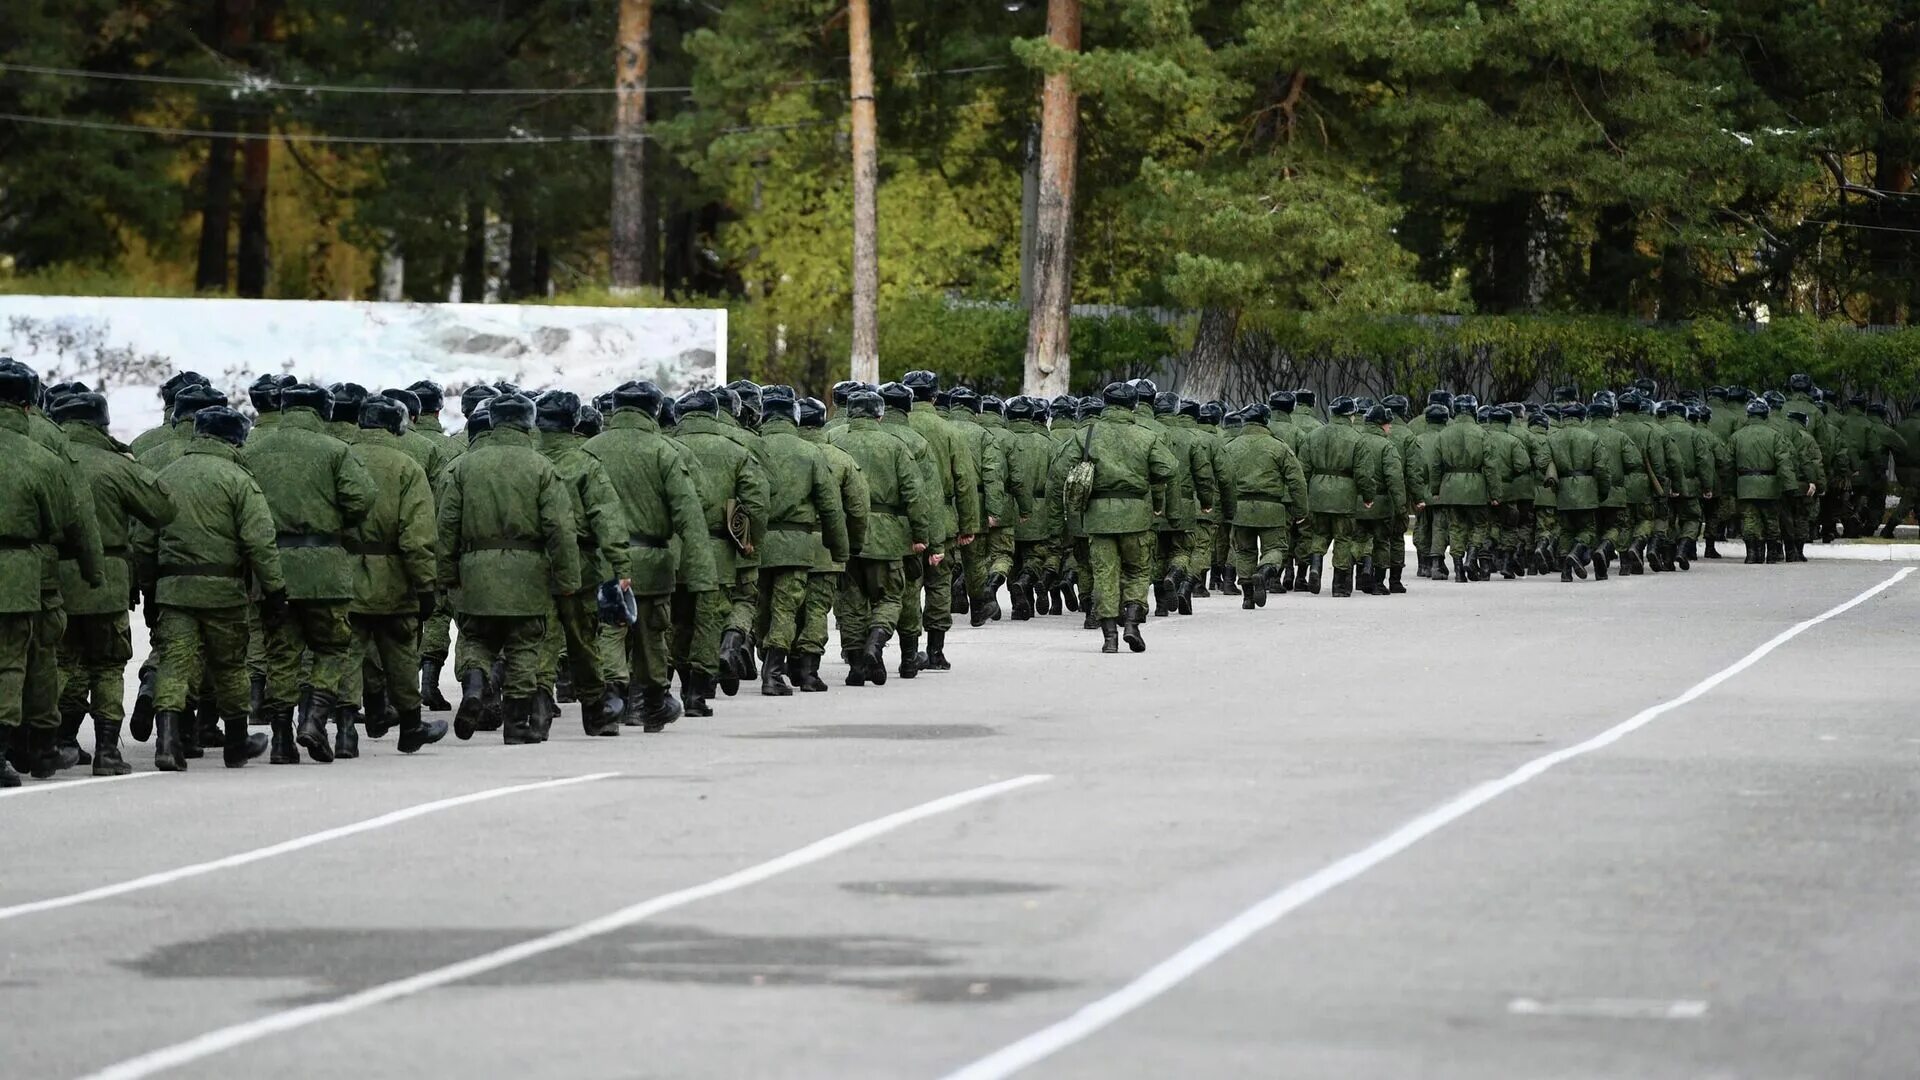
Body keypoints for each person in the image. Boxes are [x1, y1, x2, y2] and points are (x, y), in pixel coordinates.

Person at [242, 383, 376, 763]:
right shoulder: (335, 450)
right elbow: (362, 497)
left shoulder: (252, 451)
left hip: (272, 566)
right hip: (324, 568)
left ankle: (282, 740)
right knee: (332, 647)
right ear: (322, 412)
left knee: (281, 652)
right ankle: (314, 718)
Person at [437, 393, 581, 744]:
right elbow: (560, 529)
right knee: (524, 645)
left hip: (475, 570)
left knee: (476, 638)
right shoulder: (542, 467)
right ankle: (516, 726)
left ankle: (474, 686)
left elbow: (446, 528)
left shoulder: (462, 466)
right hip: (528, 572)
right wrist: (567, 579)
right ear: (528, 423)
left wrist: (446, 575)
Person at [145, 407, 282, 771]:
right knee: (229, 665)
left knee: (174, 663)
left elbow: (143, 538)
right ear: (235, 439)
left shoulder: (166, 476)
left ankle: (168, 741)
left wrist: (147, 587)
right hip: (224, 591)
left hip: (174, 589)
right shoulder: (238, 479)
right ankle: (236, 742)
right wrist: (275, 589)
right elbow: (259, 541)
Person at [51, 391, 175, 775]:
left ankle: (49, 739)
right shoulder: (114, 465)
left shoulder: (47, 458)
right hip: (107, 581)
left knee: (60, 661)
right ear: (101, 424)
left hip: (53, 579)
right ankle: (107, 750)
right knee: (107, 665)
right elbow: (162, 509)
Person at [584, 382, 714, 725]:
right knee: (651, 634)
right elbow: (690, 513)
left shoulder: (590, 449)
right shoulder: (664, 451)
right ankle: (652, 701)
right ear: (654, 410)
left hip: (602, 560)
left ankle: (611, 698)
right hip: (653, 561)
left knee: (610, 630)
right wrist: (701, 574)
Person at [828, 389, 934, 683]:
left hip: (847, 535)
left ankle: (856, 666)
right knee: (889, 597)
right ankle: (876, 640)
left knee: (851, 602)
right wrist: (921, 535)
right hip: (889, 538)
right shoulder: (896, 446)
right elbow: (915, 494)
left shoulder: (832, 442)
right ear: (880, 414)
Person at [753, 386, 849, 695]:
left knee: (761, 606)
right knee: (785, 608)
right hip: (796, 544)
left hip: (755, 543)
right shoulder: (810, 453)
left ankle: (765, 657)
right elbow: (831, 507)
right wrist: (839, 548)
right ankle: (773, 674)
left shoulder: (751, 447)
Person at [1078, 382, 1176, 653]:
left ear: (1105, 403)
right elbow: (1169, 468)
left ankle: (1109, 638)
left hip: (1098, 517)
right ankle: (1132, 623)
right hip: (1135, 517)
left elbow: (1062, 471)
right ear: (1134, 405)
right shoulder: (1146, 436)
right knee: (1137, 570)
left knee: (1104, 574)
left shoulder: (1087, 434)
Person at [1218, 402, 1308, 608]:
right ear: (1266, 421)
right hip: (1272, 508)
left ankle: (1248, 597)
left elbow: (1221, 481)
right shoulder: (1279, 446)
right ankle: (1264, 571)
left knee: (1244, 552)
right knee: (1276, 548)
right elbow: (1297, 480)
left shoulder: (1230, 447)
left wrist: (1225, 509)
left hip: (1241, 509)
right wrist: (1300, 510)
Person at [1729, 397, 1803, 564]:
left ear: (1748, 415)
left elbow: (1728, 464)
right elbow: (1784, 463)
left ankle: (1752, 554)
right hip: (1770, 485)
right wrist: (1790, 487)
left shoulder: (1736, 436)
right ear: (1766, 415)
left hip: (1745, 484)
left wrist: (1731, 487)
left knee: (1749, 519)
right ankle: (1771, 554)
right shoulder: (1775, 436)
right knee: (1771, 520)